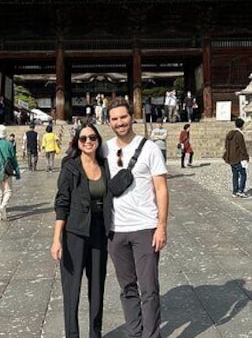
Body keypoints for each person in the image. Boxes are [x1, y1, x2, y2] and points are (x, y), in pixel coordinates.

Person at [104, 98, 169, 338]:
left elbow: (161, 188)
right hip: (116, 229)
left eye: (123, 117)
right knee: (127, 288)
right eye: (114, 119)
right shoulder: (105, 149)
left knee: (149, 288)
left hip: (145, 227)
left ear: (132, 117)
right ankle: (134, 332)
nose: (120, 122)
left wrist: (161, 226)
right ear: (108, 122)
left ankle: (151, 335)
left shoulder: (150, 148)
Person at [51, 122, 113, 338]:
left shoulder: (106, 165)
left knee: (97, 287)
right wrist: (57, 239)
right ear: (77, 142)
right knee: (72, 289)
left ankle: (95, 333)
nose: (88, 142)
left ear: (98, 141)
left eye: (92, 138)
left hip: (99, 232)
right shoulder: (70, 166)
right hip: (74, 233)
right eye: (83, 138)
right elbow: (61, 202)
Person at [223, 117, 249, 197]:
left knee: (235, 175)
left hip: (230, 157)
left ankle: (235, 190)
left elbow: (226, 146)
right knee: (243, 174)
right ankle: (241, 190)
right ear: (242, 125)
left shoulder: (229, 134)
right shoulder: (239, 134)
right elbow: (242, 147)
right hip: (238, 157)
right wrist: (246, 157)